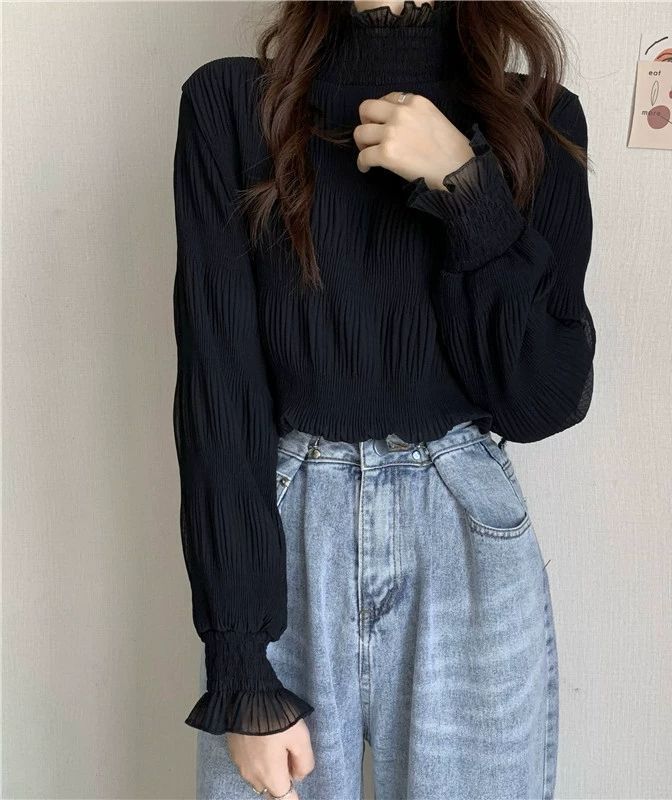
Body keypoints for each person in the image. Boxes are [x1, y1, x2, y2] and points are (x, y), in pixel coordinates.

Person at [171, 1, 595, 798]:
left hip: (462, 526)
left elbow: (542, 399)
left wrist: (466, 186)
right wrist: (239, 662)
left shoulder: (536, 117)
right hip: (284, 531)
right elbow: (218, 388)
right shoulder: (231, 105)